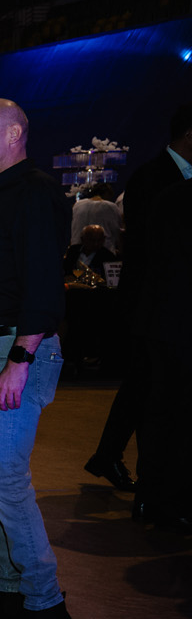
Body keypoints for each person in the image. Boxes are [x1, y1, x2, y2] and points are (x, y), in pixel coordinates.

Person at [0, 98, 72, 619]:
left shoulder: (33, 191)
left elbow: (45, 284)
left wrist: (20, 360)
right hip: (2, 346)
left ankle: (46, 604)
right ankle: (7, 591)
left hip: (21, 348)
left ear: (14, 134)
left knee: (3, 476)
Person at [88, 103, 192, 506]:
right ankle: (153, 488)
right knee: (154, 393)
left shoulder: (164, 178)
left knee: (144, 387)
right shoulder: (153, 178)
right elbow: (152, 251)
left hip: (162, 310)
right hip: (156, 308)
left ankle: (114, 460)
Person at [69, 183, 121, 250]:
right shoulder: (111, 206)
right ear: (106, 193)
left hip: (76, 249)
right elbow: (116, 231)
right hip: (104, 251)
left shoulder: (77, 205)